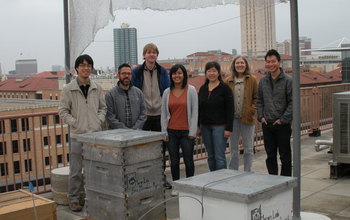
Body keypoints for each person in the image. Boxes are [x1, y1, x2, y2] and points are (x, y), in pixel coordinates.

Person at [59, 54, 107, 211]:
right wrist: (76, 123)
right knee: (76, 171)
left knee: (94, 170)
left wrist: (98, 121)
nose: (86, 68)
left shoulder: (97, 88)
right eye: (82, 65)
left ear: (92, 68)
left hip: (94, 135)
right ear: (77, 68)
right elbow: (63, 111)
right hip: (77, 136)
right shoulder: (68, 89)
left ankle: (92, 197)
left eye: (89, 65)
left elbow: (103, 108)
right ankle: (73, 198)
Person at [131, 43, 172, 188]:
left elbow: (167, 91)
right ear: (144, 55)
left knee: (160, 149)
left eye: (154, 52)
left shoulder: (162, 71)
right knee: (141, 148)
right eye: (148, 52)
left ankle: (160, 177)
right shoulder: (136, 71)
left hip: (159, 115)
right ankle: (142, 179)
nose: (151, 55)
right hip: (144, 115)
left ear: (157, 55)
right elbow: (133, 91)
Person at [257, 49, 293, 176]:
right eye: (268, 62)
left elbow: (292, 103)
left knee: (285, 156)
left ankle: (286, 181)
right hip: (267, 124)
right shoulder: (263, 81)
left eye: (273, 61)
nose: (270, 64)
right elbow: (259, 100)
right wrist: (261, 116)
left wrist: (283, 119)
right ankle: (273, 181)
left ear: (279, 62)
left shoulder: (288, 81)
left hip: (282, 124)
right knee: (270, 155)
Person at [161, 64, 198, 181]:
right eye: (174, 73)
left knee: (188, 161)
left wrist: (192, 131)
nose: (177, 76)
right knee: (174, 161)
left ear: (184, 75)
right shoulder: (167, 92)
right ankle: (176, 185)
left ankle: (190, 185)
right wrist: (164, 132)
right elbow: (163, 113)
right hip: (171, 132)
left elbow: (195, 111)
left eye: (179, 73)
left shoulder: (191, 90)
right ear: (171, 76)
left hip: (186, 133)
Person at [198, 61, 233, 171]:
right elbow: (199, 109)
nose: (211, 73)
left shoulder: (224, 88)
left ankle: (221, 181)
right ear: (206, 73)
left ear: (218, 73)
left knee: (219, 156)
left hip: (220, 127)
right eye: (209, 71)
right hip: (205, 127)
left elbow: (230, 109)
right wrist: (198, 126)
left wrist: (228, 128)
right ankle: (212, 178)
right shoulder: (203, 88)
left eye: (214, 71)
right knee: (211, 156)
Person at [225, 56, 258, 172]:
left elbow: (256, 97)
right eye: (237, 63)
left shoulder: (252, 80)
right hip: (232, 119)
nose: (240, 65)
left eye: (242, 63)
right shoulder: (228, 81)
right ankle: (233, 171)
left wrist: (252, 109)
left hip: (248, 118)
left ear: (246, 65)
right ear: (234, 65)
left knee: (248, 148)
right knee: (233, 148)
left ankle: (248, 171)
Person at [105, 63, 147, 129]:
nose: (126, 76)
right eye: (123, 73)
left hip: (136, 133)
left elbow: (143, 114)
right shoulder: (110, 95)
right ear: (118, 75)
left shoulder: (138, 93)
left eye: (129, 73)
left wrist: (135, 129)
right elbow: (110, 116)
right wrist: (125, 130)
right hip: (117, 135)